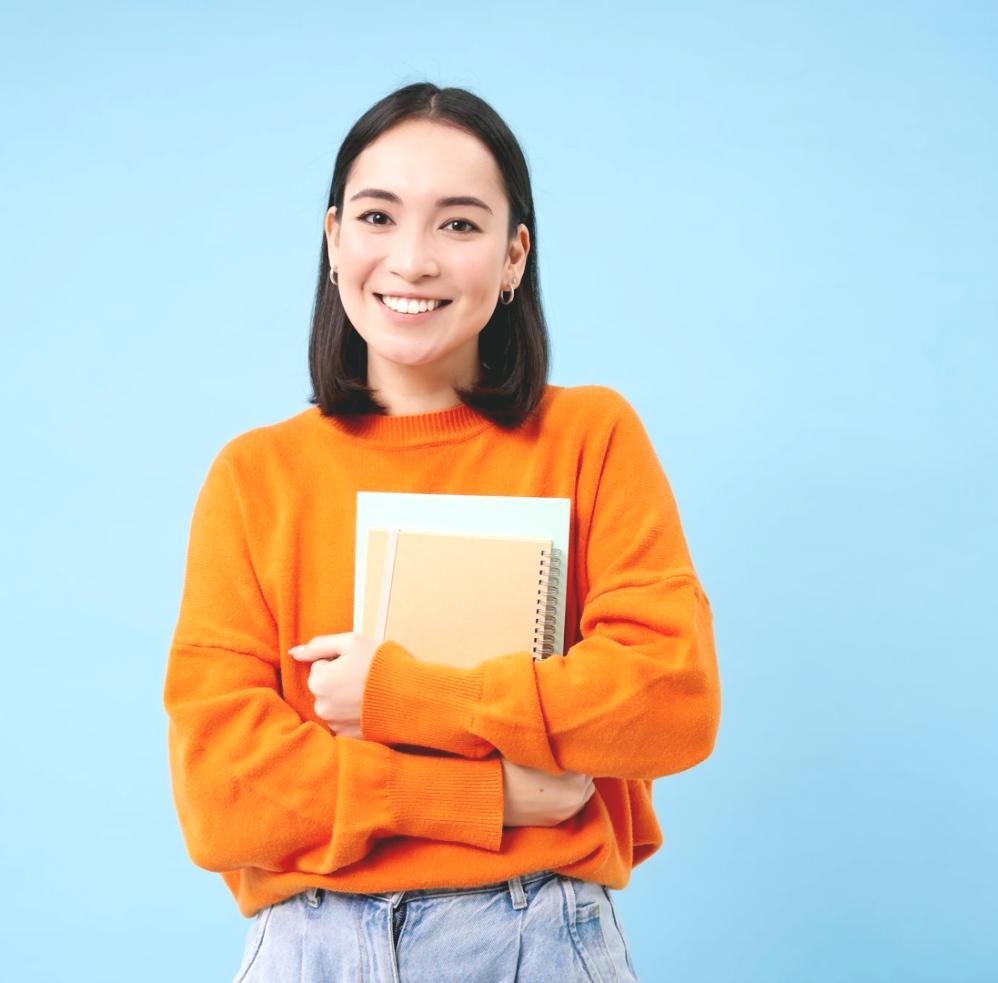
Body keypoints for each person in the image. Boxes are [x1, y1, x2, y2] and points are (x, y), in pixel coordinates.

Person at [162, 81, 721, 982]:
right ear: (334, 237)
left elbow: (670, 697)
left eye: (459, 224)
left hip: (533, 933)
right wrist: (487, 794)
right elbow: (222, 793)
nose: (412, 259)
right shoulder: (254, 476)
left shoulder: (590, 438)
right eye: (379, 216)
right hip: (310, 951)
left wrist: (399, 696)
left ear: (513, 257)